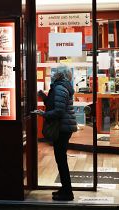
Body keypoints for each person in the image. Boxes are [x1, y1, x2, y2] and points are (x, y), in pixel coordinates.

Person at [37, 66, 77, 201]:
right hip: (63, 127)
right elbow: (54, 104)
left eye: (54, 72)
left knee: (61, 160)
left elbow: (59, 111)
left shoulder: (60, 88)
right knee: (61, 160)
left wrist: (44, 114)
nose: (52, 74)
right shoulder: (60, 86)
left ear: (59, 75)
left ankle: (68, 192)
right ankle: (65, 188)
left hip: (62, 128)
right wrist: (43, 96)